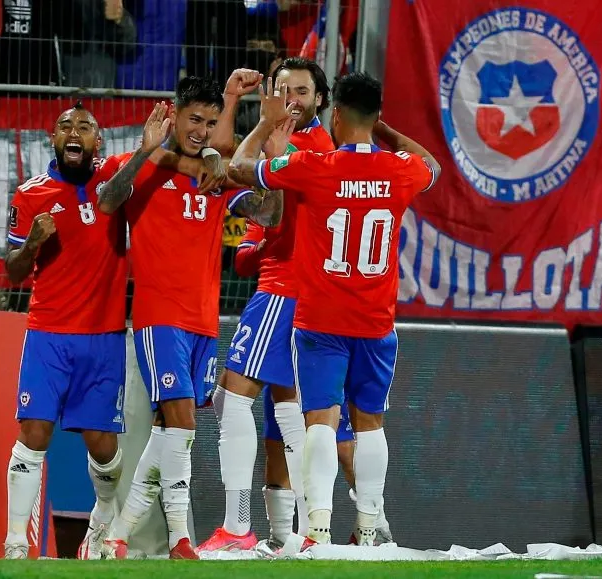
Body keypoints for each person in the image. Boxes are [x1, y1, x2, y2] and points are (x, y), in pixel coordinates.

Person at [228, 72, 440, 547]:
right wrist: (383, 131)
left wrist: (263, 127)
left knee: (319, 418)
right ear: (374, 116)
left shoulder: (315, 165)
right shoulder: (400, 169)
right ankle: (369, 525)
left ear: (336, 115)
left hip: (322, 320)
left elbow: (240, 168)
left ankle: (317, 530)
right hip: (376, 321)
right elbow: (432, 166)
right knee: (369, 423)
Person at [96, 74, 284, 560]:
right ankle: (180, 539)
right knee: (182, 426)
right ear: (174, 116)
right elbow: (106, 200)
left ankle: (116, 534)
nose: (201, 130)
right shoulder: (146, 165)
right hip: (160, 318)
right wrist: (144, 152)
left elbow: (270, 214)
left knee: (167, 432)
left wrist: (269, 154)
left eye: (209, 120)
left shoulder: (215, 177)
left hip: (204, 322)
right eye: (193, 119)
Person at [198, 57, 335, 553]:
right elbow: (233, 164)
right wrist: (235, 105)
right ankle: (305, 532)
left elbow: (235, 169)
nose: (292, 99)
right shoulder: (308, 143)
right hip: (307, 291)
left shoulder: (302, 145)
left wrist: (260, 120)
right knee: (289, 407)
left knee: (232, 395)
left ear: (320, 99)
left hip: (283, 288)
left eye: (301, 91)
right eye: (283, 90)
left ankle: (237, 527)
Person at [2, 102, 135, 560]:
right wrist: (34, 243)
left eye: (83, 126)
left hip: (104, 338)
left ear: (98, 142)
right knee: (34, 432)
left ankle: (102, 519)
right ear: (52, 139)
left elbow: (152, 161)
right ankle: (16, 544)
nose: (73, 132)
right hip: (49, 334)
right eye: (64, 126)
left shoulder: (115, 186)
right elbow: (13, 272)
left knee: (103, 448)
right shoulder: (30, 193)